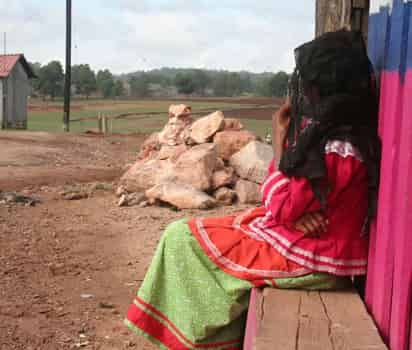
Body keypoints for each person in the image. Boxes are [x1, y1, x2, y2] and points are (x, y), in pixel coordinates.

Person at [124, 30, 381, 350]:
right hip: (322, 249)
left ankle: (198, 341)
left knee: (181, 238)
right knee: (216, 229)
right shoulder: (350, 139)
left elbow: (279, 204)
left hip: (314, 260)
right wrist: (289, 213)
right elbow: (289, 205)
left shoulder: (332, 151)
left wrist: (279, 146)